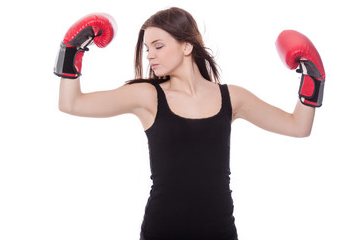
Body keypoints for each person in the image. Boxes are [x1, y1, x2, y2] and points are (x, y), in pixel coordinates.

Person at [54, 7, 325, 240]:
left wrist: (311, 78)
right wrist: (72, 50)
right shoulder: (148, 95)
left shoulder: (232, 97)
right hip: (163, 231)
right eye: (147, 48)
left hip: (220, 231)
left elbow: (297, 126)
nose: (149, 55)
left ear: (187, 46)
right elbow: (71, 103)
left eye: (158, 46)